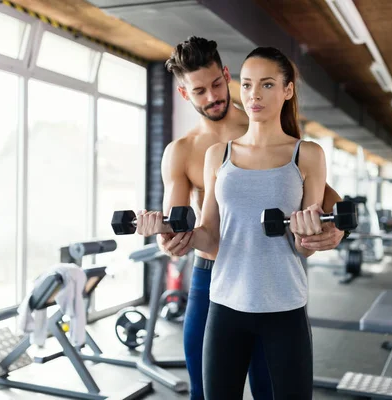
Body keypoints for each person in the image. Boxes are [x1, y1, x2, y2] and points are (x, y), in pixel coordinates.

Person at [135, 37, 344, 399]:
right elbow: (180, 225)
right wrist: (166, 236)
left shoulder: (267, 125)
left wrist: (334, 228)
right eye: (199, 91)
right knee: (204, 388)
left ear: (226, 75)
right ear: (186, 95)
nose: (213, 96)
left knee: (269, 387)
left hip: (272, 282)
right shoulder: (184, 152)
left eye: (218, 84)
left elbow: (323, 199)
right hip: (212, 278)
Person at [179, 45, 326, 399]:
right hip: (224, 305)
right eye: (246, 85)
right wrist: (181, 236)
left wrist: (310, 237)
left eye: (267, 85)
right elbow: (210, 233)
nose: (254, 95)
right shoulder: (218, 155)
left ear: (288, 90)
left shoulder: (307, 154)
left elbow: (305, 246)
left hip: (284, 306)